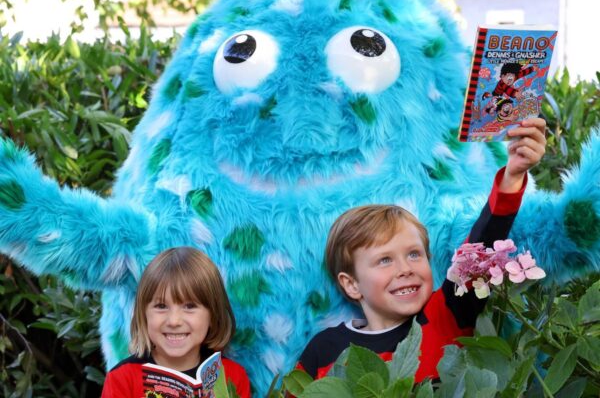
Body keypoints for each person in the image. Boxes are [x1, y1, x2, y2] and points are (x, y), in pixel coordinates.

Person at [297, 119, 547, 382]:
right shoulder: (323, 351)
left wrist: (513, 176)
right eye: (384, 260)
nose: (405, 269)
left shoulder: (446, 313)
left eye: (414, 254)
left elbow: (481, 247)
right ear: (352, 284)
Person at [101, 247, 251, 397]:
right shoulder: (122, 378)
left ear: (212, 315)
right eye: (161, 306)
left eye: (189, 306)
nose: (174, 321)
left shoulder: (233, 376)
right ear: (144, 314)